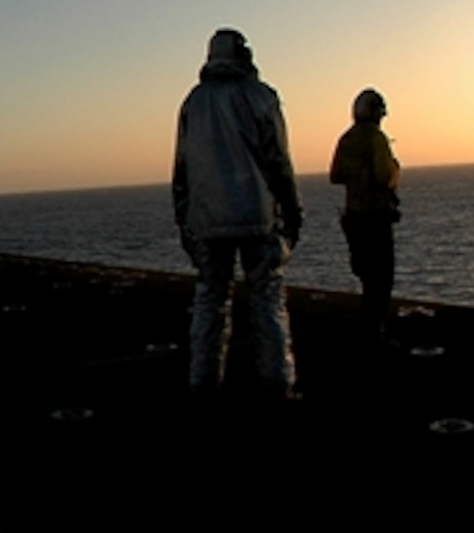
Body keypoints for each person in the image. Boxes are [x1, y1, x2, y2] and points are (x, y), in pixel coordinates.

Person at [172, 28, 303, 399]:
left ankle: (203, 382)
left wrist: (184, 219)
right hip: (257, 216)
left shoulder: (192, 102)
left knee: (209, 300)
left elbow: (182, 169)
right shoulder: (261, 96)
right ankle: (278, 384)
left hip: (207, 219)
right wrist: (292, 210)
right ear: (243, 54)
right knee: (268, 300)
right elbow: (279, 161)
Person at [330, 88, 401, 340]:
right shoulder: (376, 138)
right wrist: (394, 168)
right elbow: (384, 176)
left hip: (354, 216)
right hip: (376, 217)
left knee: (366, 274)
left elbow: (335, 175)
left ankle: (367, 329)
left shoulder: (346, 139)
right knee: (382, 277)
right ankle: (374, 330)